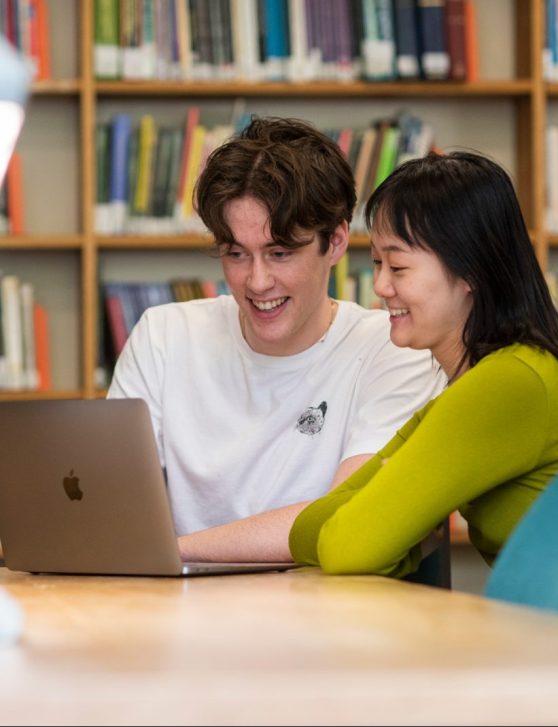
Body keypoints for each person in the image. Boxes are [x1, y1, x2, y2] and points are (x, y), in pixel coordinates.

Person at [107, 116, 445, 562]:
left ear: (337, 241)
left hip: (325, 617)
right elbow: (108, 502)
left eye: (280, 253)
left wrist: (170, 553)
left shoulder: (395, 350)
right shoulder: (163, 335)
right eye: (235, 254)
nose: (257, 281)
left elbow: (346, 514)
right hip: (181, 614)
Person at [288, 150, 558, 578]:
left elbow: (348, 548)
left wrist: (391, 518)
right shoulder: (468, 388)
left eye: (399, 266)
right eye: (377, 264)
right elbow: (306, 531)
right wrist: (391, 514)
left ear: (469, 272)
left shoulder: (510, 382)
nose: (381, 286)